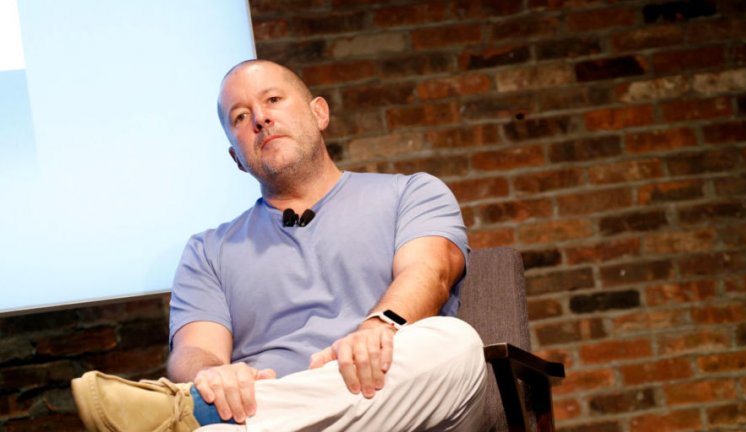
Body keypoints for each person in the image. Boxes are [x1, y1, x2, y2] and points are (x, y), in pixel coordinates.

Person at [71, 59, 486, 432]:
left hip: (401, 399)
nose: (261, 119)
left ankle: (200, 412)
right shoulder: (207, 250)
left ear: (318, 112)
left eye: (272, 99)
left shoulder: (410, 193)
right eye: (240, 116)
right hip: (269, 416)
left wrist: (378, 327)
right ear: (235, 155)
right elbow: (194, 351)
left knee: (456, 345)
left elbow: (429, 272)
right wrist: (212, 376)